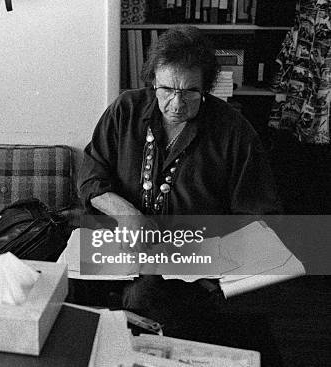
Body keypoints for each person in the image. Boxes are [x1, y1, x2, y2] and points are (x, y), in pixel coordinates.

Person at [76, 26, 282, 325]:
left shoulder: (233, 131)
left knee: (144, 299)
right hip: (117, 250)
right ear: (153, 81)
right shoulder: (125, 111)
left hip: (189, 268)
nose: (175, 103)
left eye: (188, 92)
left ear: (206, 87)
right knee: (66, 293)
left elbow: (259, 217)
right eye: (167, 90)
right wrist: (125, 213)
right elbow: (92, 176)